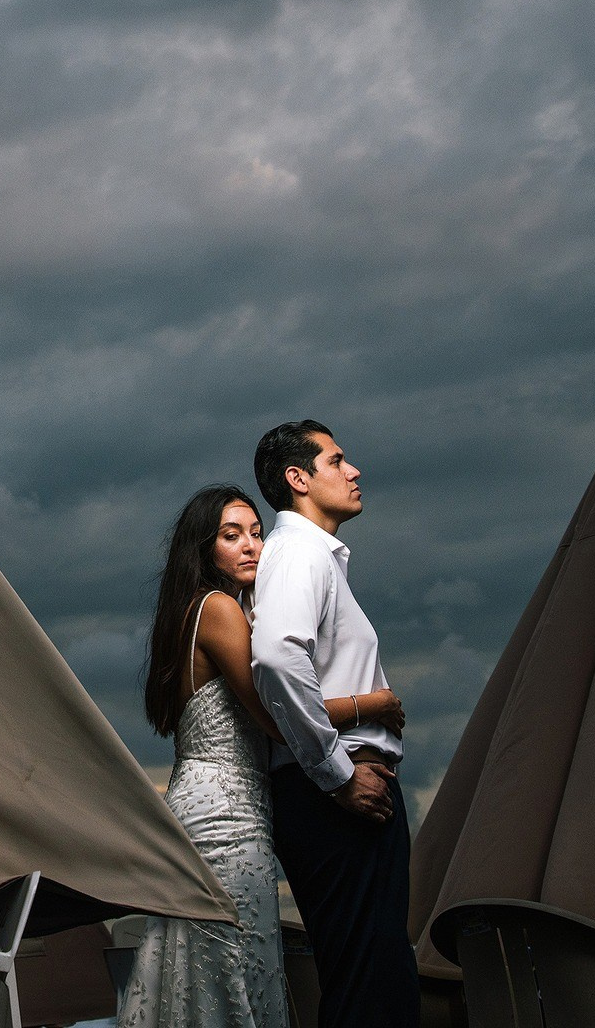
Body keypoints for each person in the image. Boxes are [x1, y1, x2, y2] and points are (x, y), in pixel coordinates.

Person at [119, 484, 405, 1028]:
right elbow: (275, 716)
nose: (253, 546)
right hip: (226, 813)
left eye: (257, 532)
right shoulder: (220, 609)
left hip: (205, 801)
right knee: (235, 966)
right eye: (232, 536)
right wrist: (374, 703)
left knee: (205, 970)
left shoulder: (190, 614)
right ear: (204, 551)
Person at [249, 421, 420, 1028]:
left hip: (342, 795)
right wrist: (337, 774)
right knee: (367, 985)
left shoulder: (316, 559)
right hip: (337, 800)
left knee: (374, 978)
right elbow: (274, 655)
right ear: (298, 479)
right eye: (337, 460)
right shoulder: (298, 554)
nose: (354, 471)